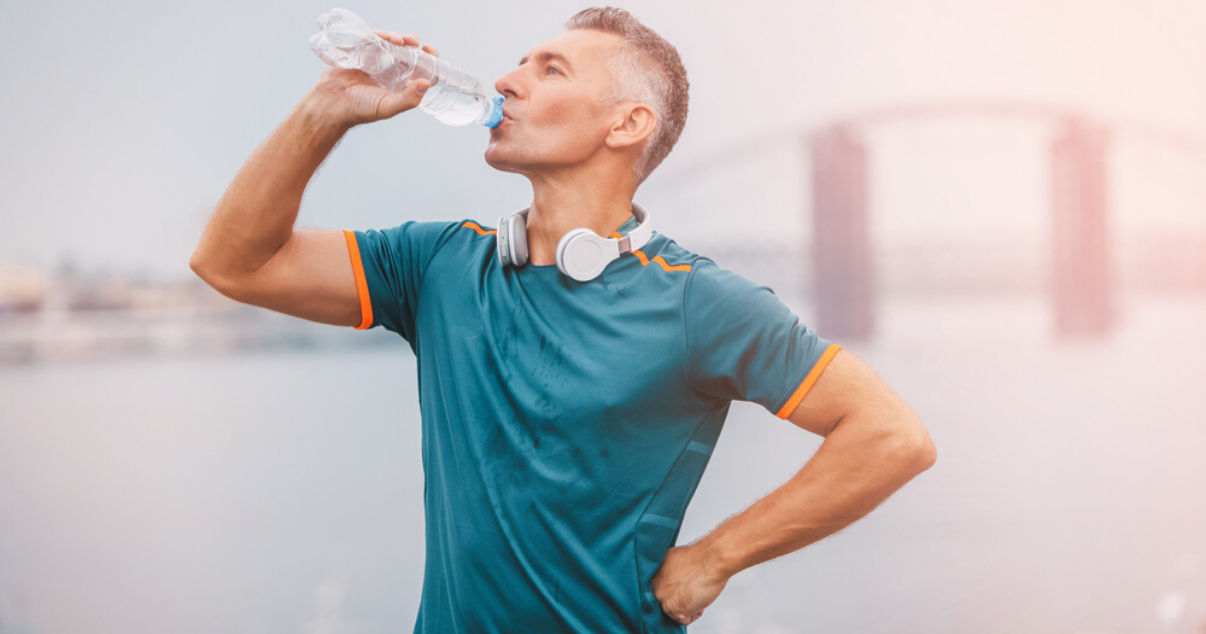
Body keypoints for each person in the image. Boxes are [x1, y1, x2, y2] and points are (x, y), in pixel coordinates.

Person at [190, 6, 936, 633]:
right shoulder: (439, 266)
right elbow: (233, 263)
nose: (507, 80)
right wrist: (327, 111)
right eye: (520, 62)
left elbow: (891, 436)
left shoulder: (696, 302)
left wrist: (712, 560)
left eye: (550, 69)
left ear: (627, 124)